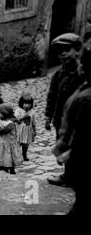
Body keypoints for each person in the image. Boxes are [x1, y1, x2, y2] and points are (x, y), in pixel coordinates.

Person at [51, 45, 91, 215]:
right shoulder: (83, 90)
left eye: (82, 63)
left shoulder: (86, 99)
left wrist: (69, 152)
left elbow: (83, 133)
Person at [45, 33, 84, 187]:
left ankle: (73, 177)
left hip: (77, 120)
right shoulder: (58, 74)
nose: (63, 54)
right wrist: (48, 115)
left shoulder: (82, 73)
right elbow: (51, 95)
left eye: (67, 50)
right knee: (64, 146)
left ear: (77, 50)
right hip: (60, 120)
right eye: (60, 51)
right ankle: (69, 175)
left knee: (76, 147)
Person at [0, 103, 23, 174]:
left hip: (8, 144)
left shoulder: (10, 122)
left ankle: (11, 171)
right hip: (2, 143)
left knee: (9, 159)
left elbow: (3, 127)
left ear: (4, 113)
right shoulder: (2, 120)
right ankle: (2, 169)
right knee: (2, 158)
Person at [15, 92, 36, 161]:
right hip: (19, 130)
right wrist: (23, 117)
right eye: (25, 103)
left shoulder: (32, 112)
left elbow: (33, 122)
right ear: (21, 103)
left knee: (26, 144)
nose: (27, 105)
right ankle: (16, 155)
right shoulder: (18, 110)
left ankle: (24, 154)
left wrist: (35, 130)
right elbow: (16, 120)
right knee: (17, 143)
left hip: (28, 130)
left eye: (29, 104)